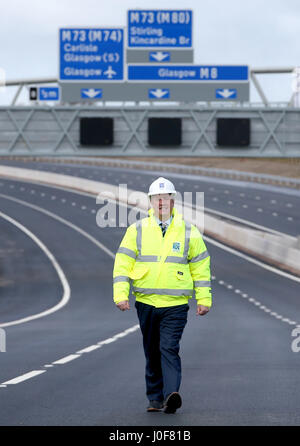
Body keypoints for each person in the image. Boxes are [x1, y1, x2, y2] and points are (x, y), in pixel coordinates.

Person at [113, 177, 212, 413]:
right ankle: (155, 398)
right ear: (149, 201)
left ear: (173, 201)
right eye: (156, 199)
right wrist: (121, 295)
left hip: (175, 304)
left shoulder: (189, 232)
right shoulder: (136, 230)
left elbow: (201, 266)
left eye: (165, 198)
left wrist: (204, 299)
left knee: (168, 347)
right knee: (152, 349)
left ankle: (171, 395)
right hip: (146, 302)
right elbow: (122, 265)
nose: (161, 203)